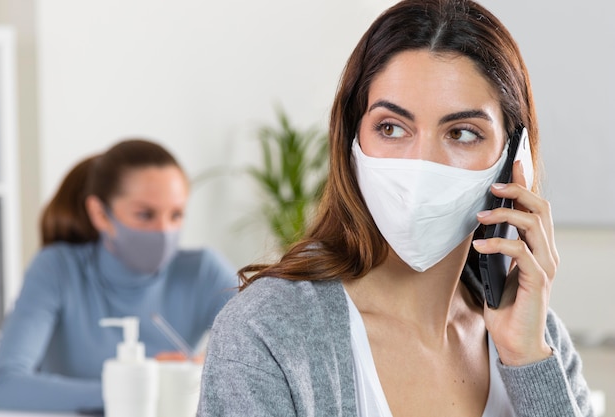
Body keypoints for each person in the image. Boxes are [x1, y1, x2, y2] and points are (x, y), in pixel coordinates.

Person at [197, 1, 595, 416]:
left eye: (462, 133)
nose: (422, 165)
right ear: (353, 140)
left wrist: (527, 359)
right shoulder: (268, 332)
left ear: (515, 158)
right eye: (391, 128)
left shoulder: (539, 335)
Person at [0, 139, 238, 412]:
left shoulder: (203, 271)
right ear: (100, 214)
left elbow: (267, 352)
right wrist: (142, 385)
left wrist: (214, 372)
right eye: (145, 214)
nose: (164, 231)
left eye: (176, 215)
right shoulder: (56, 269)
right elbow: (3, 386)